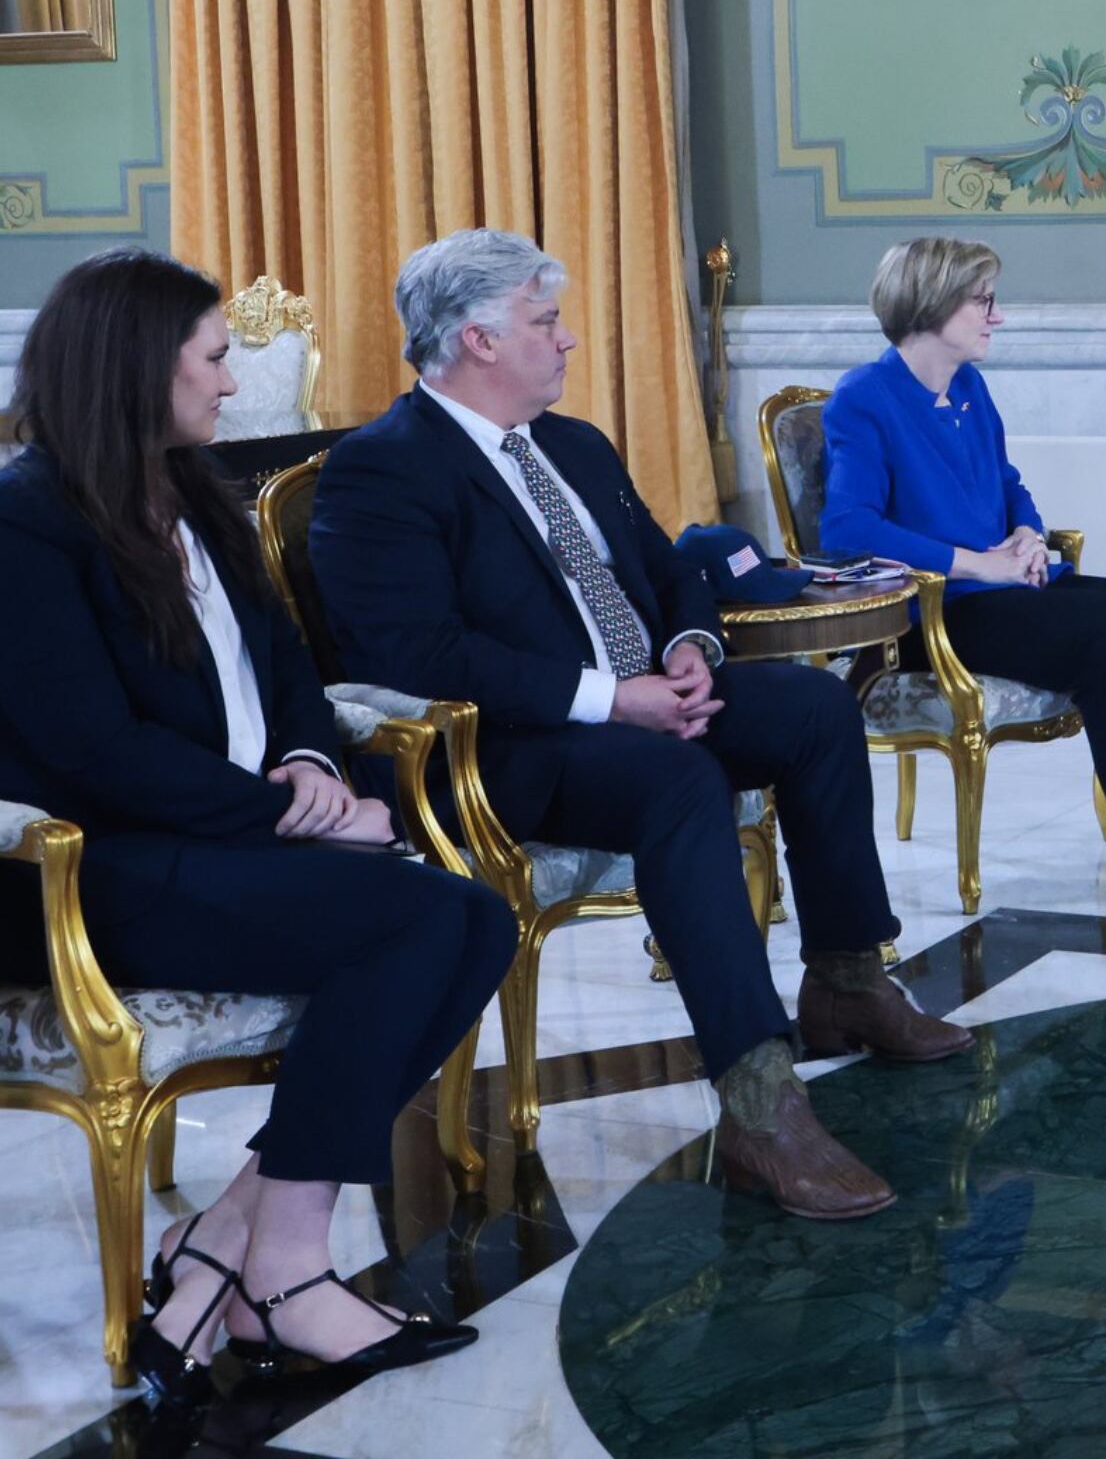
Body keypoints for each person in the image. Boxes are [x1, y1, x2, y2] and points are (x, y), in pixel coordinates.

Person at [308, 228, 969, 1223]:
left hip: (637, 696)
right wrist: (608, 698)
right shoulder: (382, 470)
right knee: (678, 783)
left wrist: (691, 647)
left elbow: (670, 571)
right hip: (506, 749)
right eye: (546, 321)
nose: (567, 340)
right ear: (478, 338)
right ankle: (758, 1101)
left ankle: (845, 977)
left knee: (814, 706)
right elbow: (417, 656)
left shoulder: (571, 443)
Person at [0, 250, 517, 1409]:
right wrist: (288, 808)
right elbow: (92, 751)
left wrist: (302, 758)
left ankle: (240, 1245)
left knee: (471, 919)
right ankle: (279, 1266)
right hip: (103, 873)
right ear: (138, 367)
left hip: (228, 838)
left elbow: (289, 663)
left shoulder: (191, 490)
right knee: (417, 923)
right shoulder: (24, 522)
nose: (232, 385)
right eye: (215, 357)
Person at [819, 238, 1106, 911]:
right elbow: (847, 528)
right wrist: (982, 562)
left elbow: (1008, 484)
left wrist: (1028, 533)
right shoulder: (864, 397)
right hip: (938, 613)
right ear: (932, 305)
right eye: (982, 302)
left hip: (1002, 591)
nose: (994, 317)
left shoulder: (968, 386)